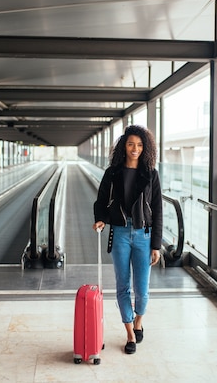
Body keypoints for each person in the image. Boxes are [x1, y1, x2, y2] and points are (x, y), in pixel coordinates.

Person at [93, 125, 163, 355]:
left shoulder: (151, 173)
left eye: (140, 145)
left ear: (146, 148)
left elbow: (158, 210)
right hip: (121, 234)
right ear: (124, 145)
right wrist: (101, 219)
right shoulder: (112, 173)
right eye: (131, 144)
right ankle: (130, 333)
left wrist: (156, 245)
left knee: (141, 290)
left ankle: (138, 321)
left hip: (144, 235)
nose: (135, 148)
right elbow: (101, 200)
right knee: (123, 287)